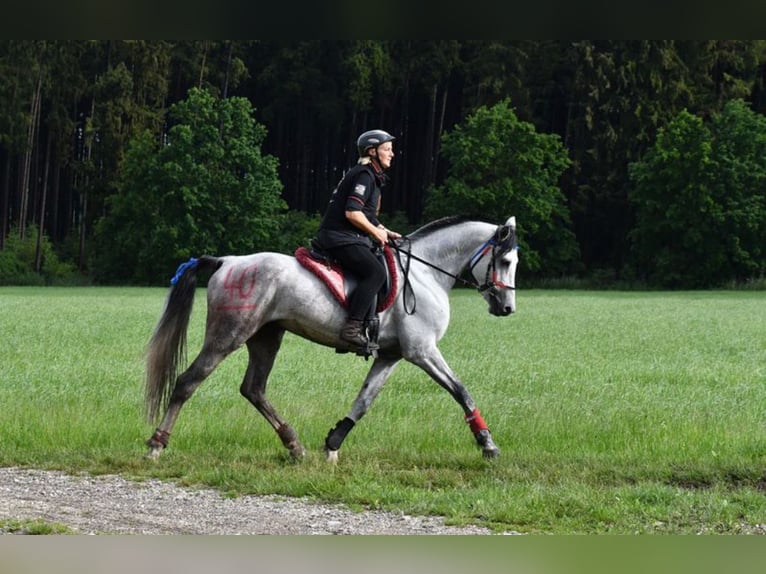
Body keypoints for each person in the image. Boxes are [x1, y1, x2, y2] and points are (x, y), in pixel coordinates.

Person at [316, 129, 402, 349]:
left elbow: (368, 216)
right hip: (339, 237)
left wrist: (384, 230)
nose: (392, 154)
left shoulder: (371, 176)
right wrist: (376, 233)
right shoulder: (364, 174)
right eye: (387, 149)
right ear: (372, 152)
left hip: (348, 236)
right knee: (376, 273)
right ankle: (351, 329)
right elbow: (352, 213)